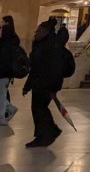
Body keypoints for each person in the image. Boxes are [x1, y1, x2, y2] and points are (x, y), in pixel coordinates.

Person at [22, 18, 66, 148]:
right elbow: (35, 67)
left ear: (46, 31)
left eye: (39, 30)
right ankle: (44, 134)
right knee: (39, 109)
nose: (36, 33)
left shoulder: (49, 46)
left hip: (45, 83)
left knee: (39, 109)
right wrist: (28, 85)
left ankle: (48, 132)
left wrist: (51, 86)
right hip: (41, 82)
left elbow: (46, 67)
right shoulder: (44, 43)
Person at [0, 16, 20, 126]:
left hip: (5, 72)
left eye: (2, 23)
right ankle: (10, 108)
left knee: (0, 95)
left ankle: (0, 118)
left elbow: (4, 58)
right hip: (3, 71)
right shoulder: (6, 41)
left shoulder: (7, 43)